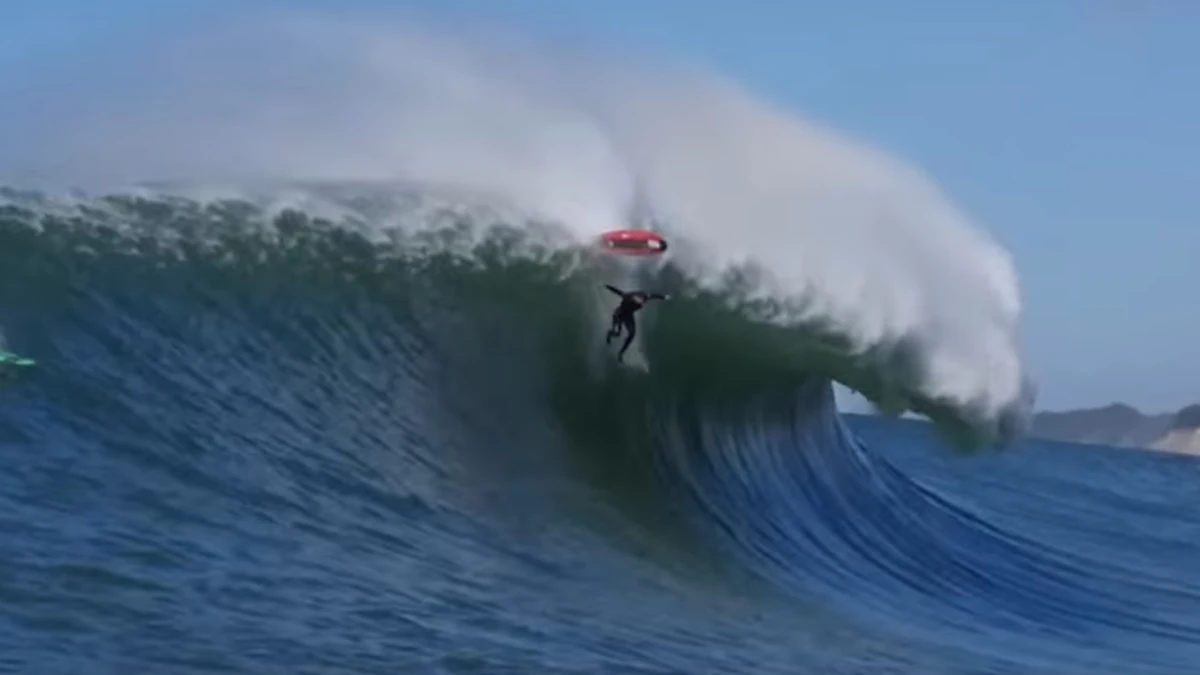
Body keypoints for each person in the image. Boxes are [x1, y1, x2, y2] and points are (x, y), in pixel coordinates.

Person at [603, 284, 669, 362]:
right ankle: (609, 334)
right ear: (633, 299)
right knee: (617, 333)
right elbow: (616, 291)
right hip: (619, 313)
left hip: (629, 315)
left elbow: (654, 295)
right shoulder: (627, 296)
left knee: (632, 334)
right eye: (638, 302)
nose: (641, 303)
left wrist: (664, 297)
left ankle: (620, 353)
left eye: (641, 302)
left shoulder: (645, 296)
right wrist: (606, 286)